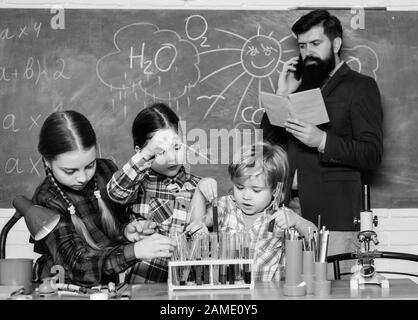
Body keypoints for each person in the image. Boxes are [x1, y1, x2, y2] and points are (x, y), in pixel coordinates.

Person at [260, 9, 383, 259]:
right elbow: (267, 146)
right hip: (288, 211)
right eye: (303, 46)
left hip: (334, 215)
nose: (308, 53)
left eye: (316, 43)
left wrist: (323, 141)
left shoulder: (361, 87)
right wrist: (282, 95)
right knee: (289, 292)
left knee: (333, 292)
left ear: (336, 43)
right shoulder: (299, 86)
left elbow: (372, 153)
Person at [31, 110, 175, 287]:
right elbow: (79, 266)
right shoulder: (46, 199)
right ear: (47, 161)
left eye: (89, 165)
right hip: (62, 289)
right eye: (70, 171)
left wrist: (126, 232)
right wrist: (135, 251)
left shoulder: (105, 170)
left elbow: (112, 227)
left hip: (106, 288)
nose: (83, 177)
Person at [107, 103, 206, 283]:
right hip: (142, 283)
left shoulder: (198, 186)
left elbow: (208, 240)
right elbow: (116, 192)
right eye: (161, 151)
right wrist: (145, 155)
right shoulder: (138, 183)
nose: (172, 158)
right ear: (142, 152)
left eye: (177, 147)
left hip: (186, 285)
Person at [191, 141, 317, 281]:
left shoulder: (282, 217)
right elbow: (199, 222)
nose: (246, 196)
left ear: (275, 190)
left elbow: (317, 240)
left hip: (269, 294)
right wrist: (200, 192)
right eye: (239, 187)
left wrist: (298, 222)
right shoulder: (225, 206)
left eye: (256, 190)